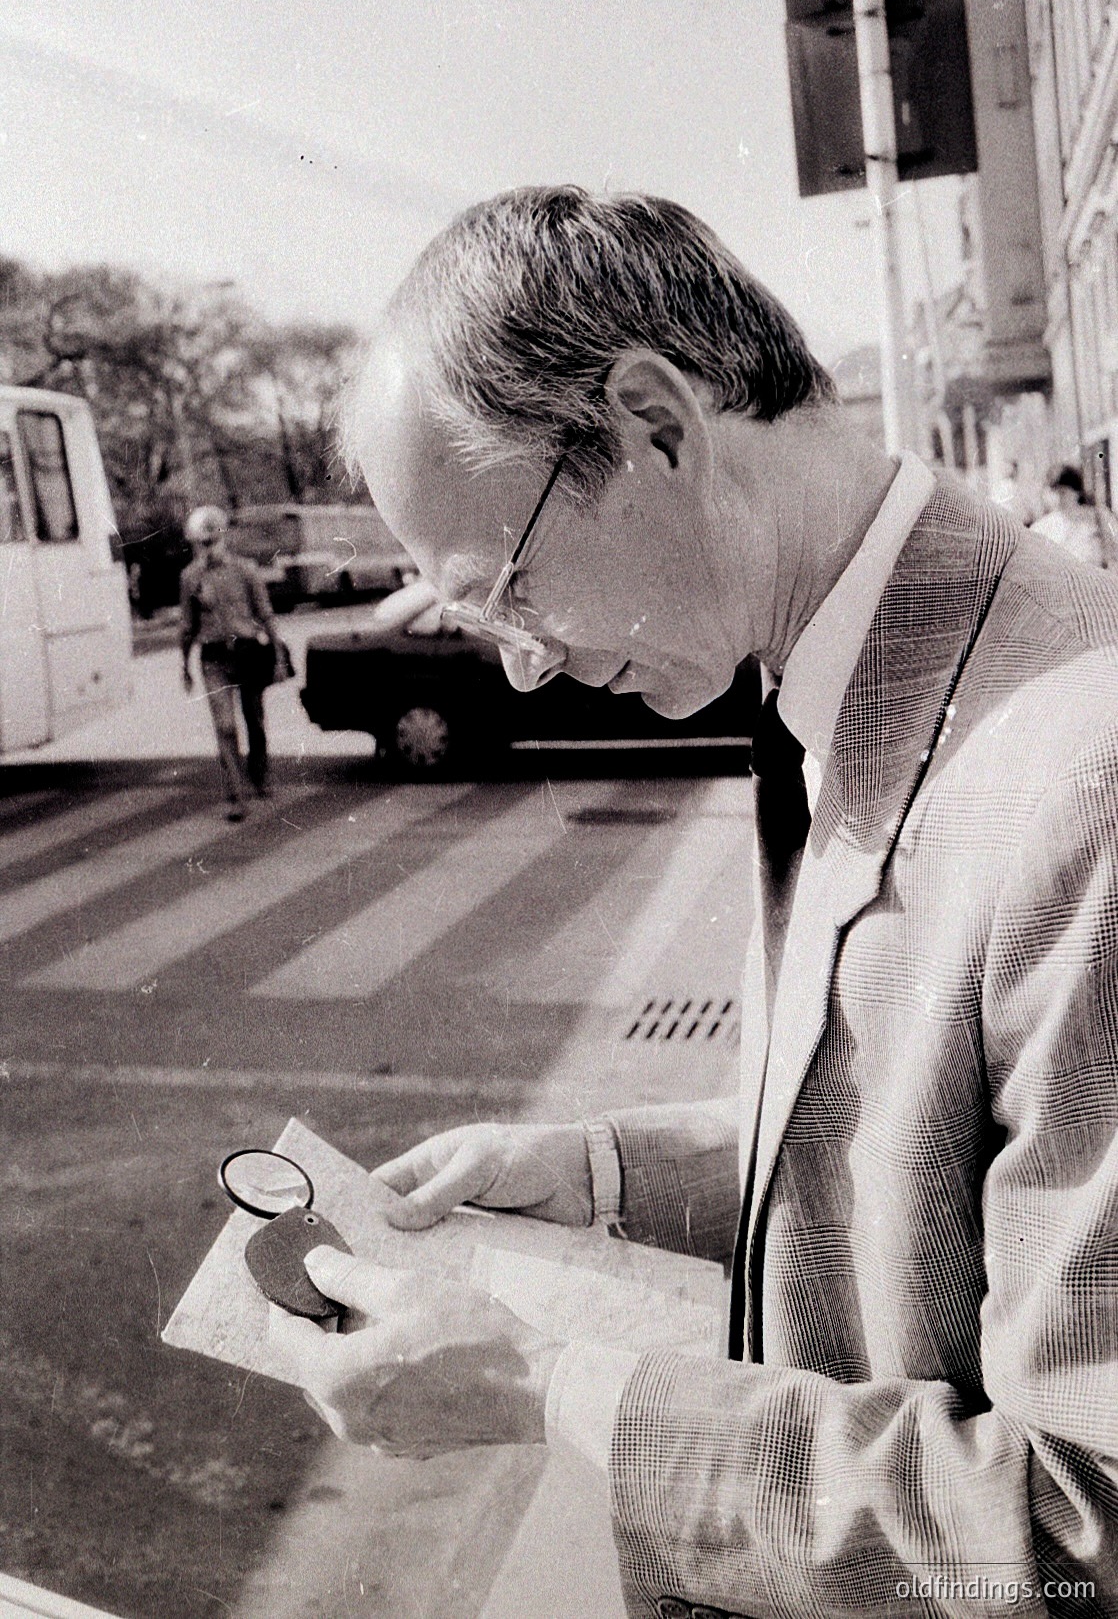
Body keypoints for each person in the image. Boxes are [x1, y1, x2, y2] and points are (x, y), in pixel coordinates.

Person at [270, 188, 1118, 1616]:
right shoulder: (845, 670)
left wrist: (546, 1384)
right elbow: (927, 1145)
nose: (521, 664)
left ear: (655, 426)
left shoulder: (1084, 778)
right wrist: (599, 1176)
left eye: (506, 589)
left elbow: (1083, 1529)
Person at [179, 504, 283, 820]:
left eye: (212, 541)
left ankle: (259, 774)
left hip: (247, 652)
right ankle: (237, 793)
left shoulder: (245, 570)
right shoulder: (190, 577)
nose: (207, 549)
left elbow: (265, 614)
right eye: (201, 543)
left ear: (223, 538)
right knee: (224, 725)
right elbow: (187, 626)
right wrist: (184, 665)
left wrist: (278, 655)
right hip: (213, 658)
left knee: (254, 718)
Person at [1032, 463, 1116, 568]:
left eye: (1063, 492)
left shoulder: (1099, 517)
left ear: (1077, 492)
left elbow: (1113, 551)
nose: (1059, 498)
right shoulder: (1044, 526)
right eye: (1054, 492)